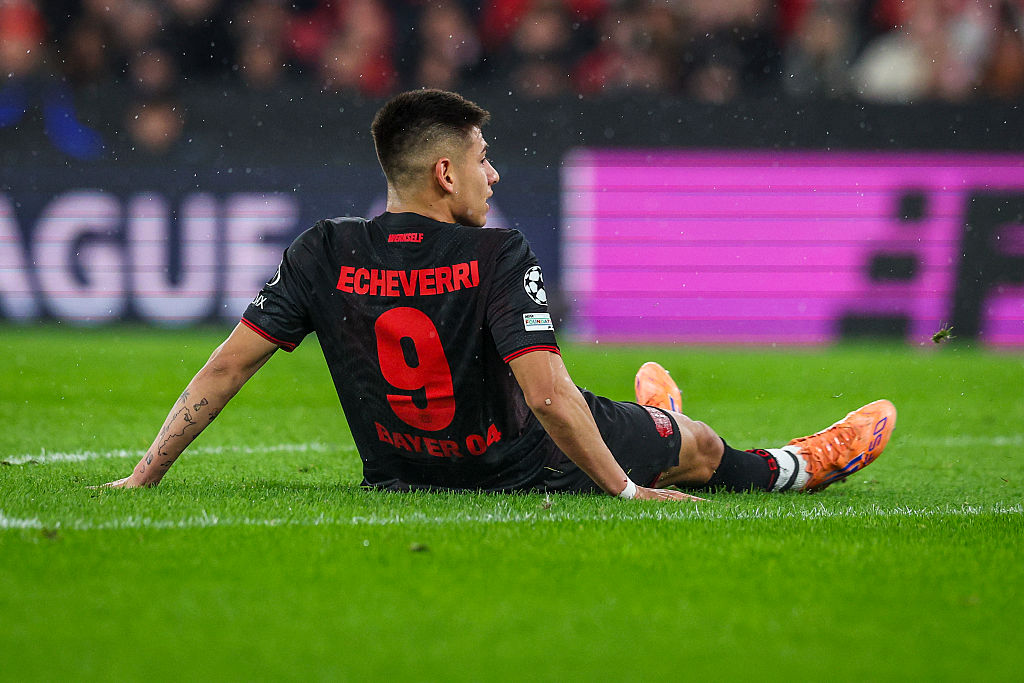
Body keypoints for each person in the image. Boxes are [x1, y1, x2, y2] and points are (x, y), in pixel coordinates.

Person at [102, 89, 897, 500]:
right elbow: (549, 396)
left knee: (649, 425)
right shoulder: (495, 251)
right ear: (444, 172)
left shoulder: (322, 249)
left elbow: (226, 369)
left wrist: (145, 475)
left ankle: (661, 416)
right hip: (528, 466)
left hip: (406, 474)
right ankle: (798, 464)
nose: (493, 173)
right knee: (701, 448)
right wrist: (625, 493)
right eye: (483, 157)